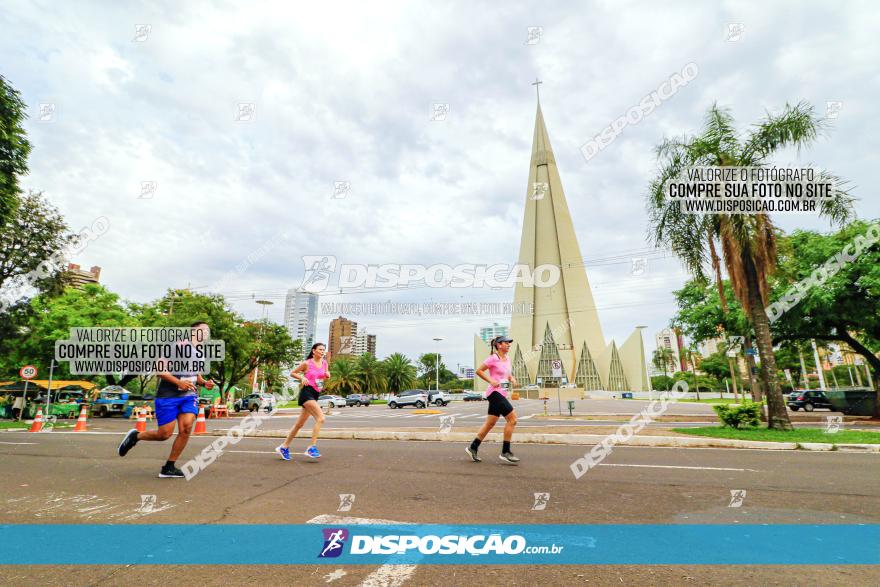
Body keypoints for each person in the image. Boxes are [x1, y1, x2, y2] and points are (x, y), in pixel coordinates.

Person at [118, 321, 215, 478]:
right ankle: (135, 436)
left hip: (189, 396)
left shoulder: (200, 352)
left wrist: (204, 382)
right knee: (164, 434)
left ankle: (169, 467)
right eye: (203, 330)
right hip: (168, 395)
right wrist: (179, 383)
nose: (206, 333)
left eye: (207, 330)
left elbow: (195, 374)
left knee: (186, 427)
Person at [467, 335, 520, 464]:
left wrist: (511, 378)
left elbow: (507, 374)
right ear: (499, 345)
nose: (509, 344)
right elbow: (479, 371)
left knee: (490, 424)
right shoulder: (493, 358)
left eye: (509, 343)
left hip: (501, 394)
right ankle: (505, 452)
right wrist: (491, 380)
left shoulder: (507, 358)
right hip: (494, 393)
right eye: (506, 343)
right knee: (512, 419)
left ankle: (473, 447)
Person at [275, 343, 330, 461]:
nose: (322, 352)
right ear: (313, 351)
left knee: (299, 425)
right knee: (321, 418)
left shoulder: (324, 363)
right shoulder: (307, 363)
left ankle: (283, 447)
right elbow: (292, 373)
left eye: (323, 350)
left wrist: (327, 375)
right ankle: (311, 447)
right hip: (306, 393)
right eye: (320, 349)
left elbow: (322, 377)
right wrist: (302, 378)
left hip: (315, 393)